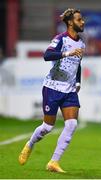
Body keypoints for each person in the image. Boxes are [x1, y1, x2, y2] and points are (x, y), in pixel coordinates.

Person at [18, 8, 85, 173]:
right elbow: (47, 55)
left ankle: (53, 162)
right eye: (79, 19)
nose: (82, 22)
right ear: (70, 22)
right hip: (53, 87)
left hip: (69, 90)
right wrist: (67, 53)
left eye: (82, 19)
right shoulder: (60, 39)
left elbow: (77, 64)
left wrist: (77, 81)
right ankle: (30, 144)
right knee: (48, 127)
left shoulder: (81, 43)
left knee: (72, 124)